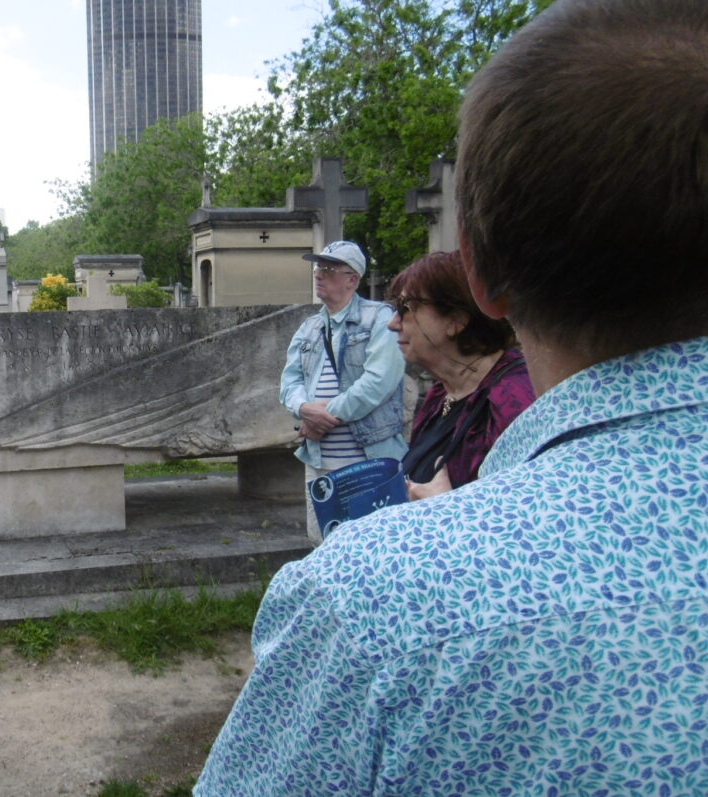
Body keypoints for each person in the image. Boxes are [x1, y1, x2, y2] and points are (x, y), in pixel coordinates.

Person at [197, 0, 708, 793]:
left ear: (483, 281)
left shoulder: (366, 604)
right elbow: (298, 367)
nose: (329, 283)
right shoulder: (320, 332)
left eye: (335, 271)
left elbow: (374, 385)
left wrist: (341, 415)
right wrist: (304, 401)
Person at [279, 240, 406, 541]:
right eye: (318, 267)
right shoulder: (309, 328)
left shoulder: (380, 319)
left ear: (352, 279)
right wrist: (303, 409)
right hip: (320, 463)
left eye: (329, 269)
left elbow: (378, 383)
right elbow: (289, 383)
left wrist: (321, 417)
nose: (319, 274)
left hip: (369, 462)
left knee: (373, 547)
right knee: (322, 546)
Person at [388, 250, 535, 500]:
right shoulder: (442, 393)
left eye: (406, 308)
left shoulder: (516, 398)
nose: (392, 323)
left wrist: (447, 508)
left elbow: (527, 512)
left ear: (456, 320)